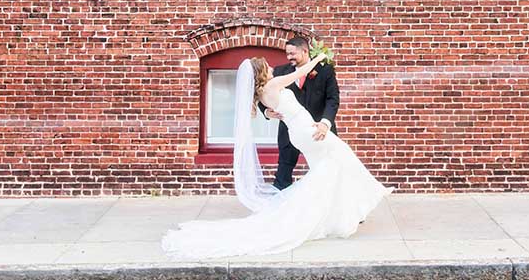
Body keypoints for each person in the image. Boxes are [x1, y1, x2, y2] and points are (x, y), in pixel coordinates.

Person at [161, 53, 390, 259]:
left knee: (329, 170)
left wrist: (273, 114)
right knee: (342, 158)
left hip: (299, 132)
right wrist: (318, 58)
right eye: (268, 66)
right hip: (306, 131)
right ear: (262, 71)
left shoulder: (261, 94)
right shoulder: (272, 85)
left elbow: (274, 112)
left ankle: (336, 213)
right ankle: (357, 199)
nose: (272, 67)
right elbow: (299, 72)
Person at [260, 37, 339, 189]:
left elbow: (332, 99)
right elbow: (258, 93)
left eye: (292, 53)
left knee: (329, 170)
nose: (289, 57)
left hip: (319, 129)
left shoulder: (325, 70)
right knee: (282, 175)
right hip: (289, 131)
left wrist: (325, 123)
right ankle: (280, 208)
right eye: (287, 54)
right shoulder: (279, 72)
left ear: (305, 51)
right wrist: (266, 112)